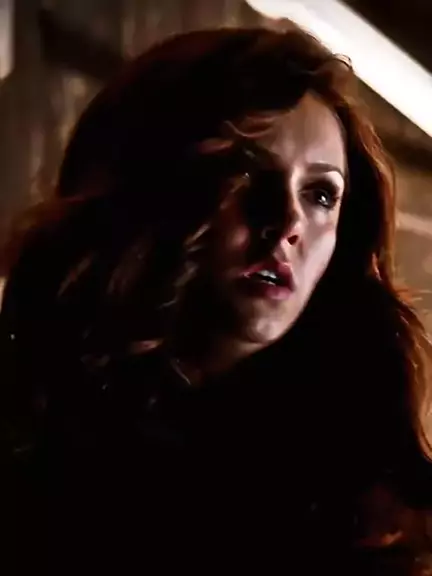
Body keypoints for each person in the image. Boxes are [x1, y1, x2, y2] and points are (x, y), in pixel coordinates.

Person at [1, 22, 432, 574]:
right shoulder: (28, 437)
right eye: (246, 170)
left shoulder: (379, 506)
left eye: (321, 194)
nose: (288, 222)